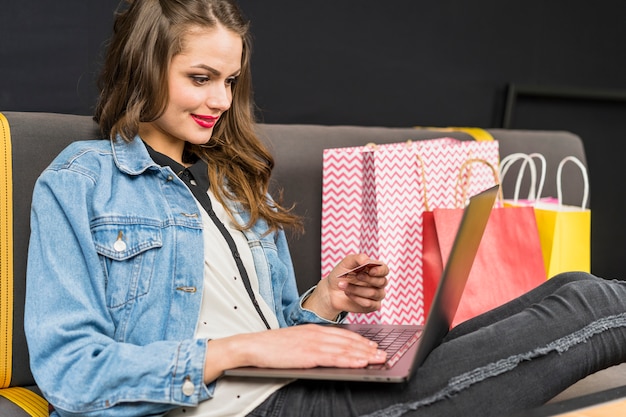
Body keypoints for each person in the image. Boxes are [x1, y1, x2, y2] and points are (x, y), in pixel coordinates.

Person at [23, 1, 626, 416]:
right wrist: (244, 352)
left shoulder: (234, 181)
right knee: (592, 304)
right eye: (201, 77)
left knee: (570, 284)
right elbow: (73, 372)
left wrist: (325, 302)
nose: (220, 101)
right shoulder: (81, 182)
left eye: (230, 81)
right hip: (234, 408)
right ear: (144, 66)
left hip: (294, 390)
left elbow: (279, 326)